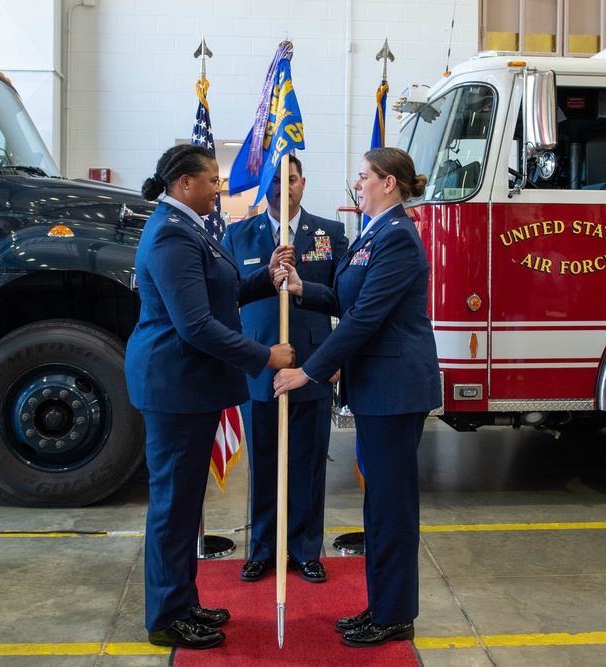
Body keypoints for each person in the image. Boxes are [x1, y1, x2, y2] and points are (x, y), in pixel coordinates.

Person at [126, 144, 295, 651]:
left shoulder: (189, 228)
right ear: (184, 184)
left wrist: (264, 278)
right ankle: (166, 617)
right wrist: (266, 357)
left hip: (189, 385)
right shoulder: (171, 236)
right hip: (175, 384)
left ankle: (183, 599)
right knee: (173, 506)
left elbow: (218, 294)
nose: (218, 188)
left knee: (183, 506)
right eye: (212, 180)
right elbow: (195, 324)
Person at [272, 147, 440, 648]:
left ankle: (394, 615)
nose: (357, 183)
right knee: (379, 505)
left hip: (394, 390)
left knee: (391, 507)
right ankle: (381, 606)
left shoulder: (399, 239)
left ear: (389, 183)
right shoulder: (374, 233)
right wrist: (305, 288)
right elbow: (349, 300)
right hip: (375, 391)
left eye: (364, 177)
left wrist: (310, 372)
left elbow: (366, 318)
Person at [222, 154, 348, 585]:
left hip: (312, 366)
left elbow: (342, 300)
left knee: (308, 463)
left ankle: (305, 549)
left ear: (303, 183)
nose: (283, 187)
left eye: (290, 179)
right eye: (275, 180)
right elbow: (226, 296)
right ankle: (262, 548)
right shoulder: (239, 234)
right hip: (258, 367)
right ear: (265, 185)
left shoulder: (329, 234)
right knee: (263, 464)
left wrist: (332, 359)